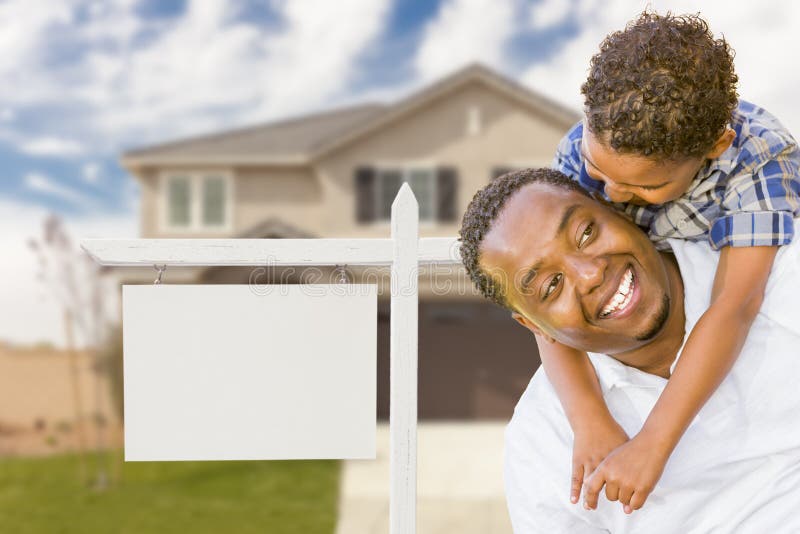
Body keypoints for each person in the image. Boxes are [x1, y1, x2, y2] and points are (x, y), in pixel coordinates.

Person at [543, 11, 800, 512]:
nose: (610, 193)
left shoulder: (761, 158)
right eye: (600, 170)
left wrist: (652, 444)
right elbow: (543, 298)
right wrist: (589, 417)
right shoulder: (579, 150)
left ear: (714, 147)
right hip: (640, 318)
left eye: (645, 186)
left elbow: (735, 304)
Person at [458, 168, 800, 532]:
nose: (589, 274)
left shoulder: (780, 276)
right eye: (551, 286)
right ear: (535, 327)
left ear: (619, 210)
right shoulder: (543, 441)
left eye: (586, 233)